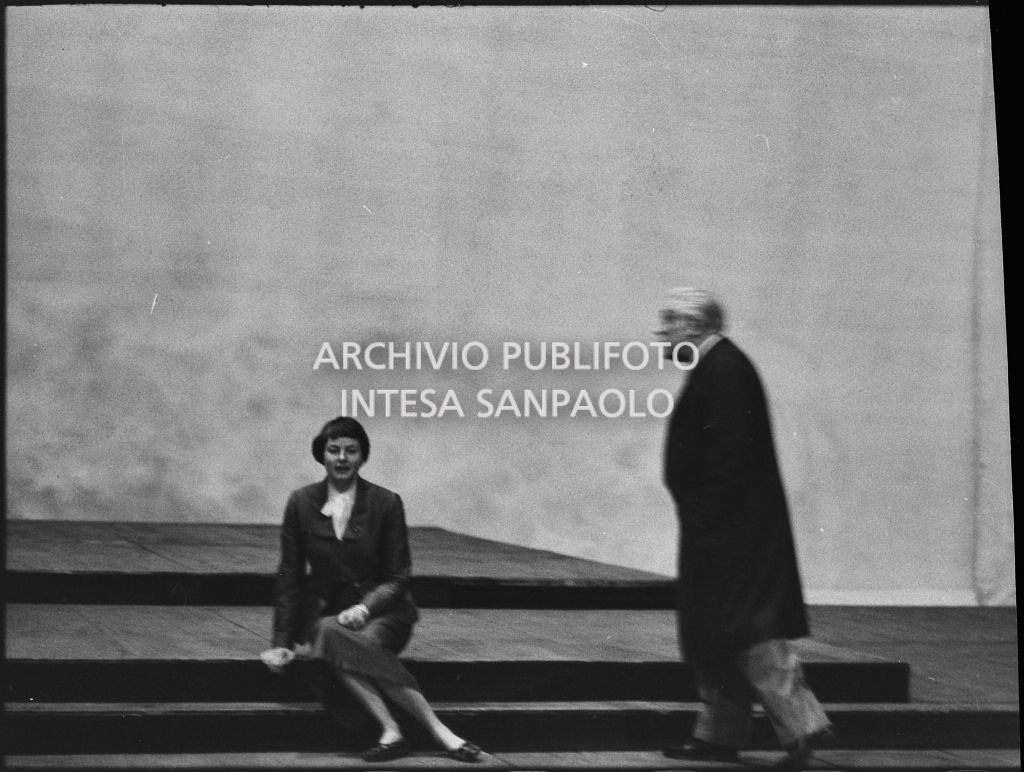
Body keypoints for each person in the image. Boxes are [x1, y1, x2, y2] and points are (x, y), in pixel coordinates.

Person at [655, 288, 833, 770]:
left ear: (693, 326)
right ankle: (719, 736)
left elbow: (729, 459)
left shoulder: (725, 369)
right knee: (720, 632)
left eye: (668, 323)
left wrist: (704, 518)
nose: (660, 333)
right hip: (723, 530)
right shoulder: (719, 366)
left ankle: (802, 728)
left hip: (731, 535)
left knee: (753, 634)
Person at [260, 416, 482, 763]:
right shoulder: (300, 502)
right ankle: (417, 732)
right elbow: (289, 574)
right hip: (328, 615)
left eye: (352, 450)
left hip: (384, 614)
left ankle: (422, 731)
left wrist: (364, 609)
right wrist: (280, 644)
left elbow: (398, 577)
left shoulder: (386, 502)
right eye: (334, 450)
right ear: (322, 456)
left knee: (333, 639)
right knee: (327, 631)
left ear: (363, 457)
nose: (343, 458)